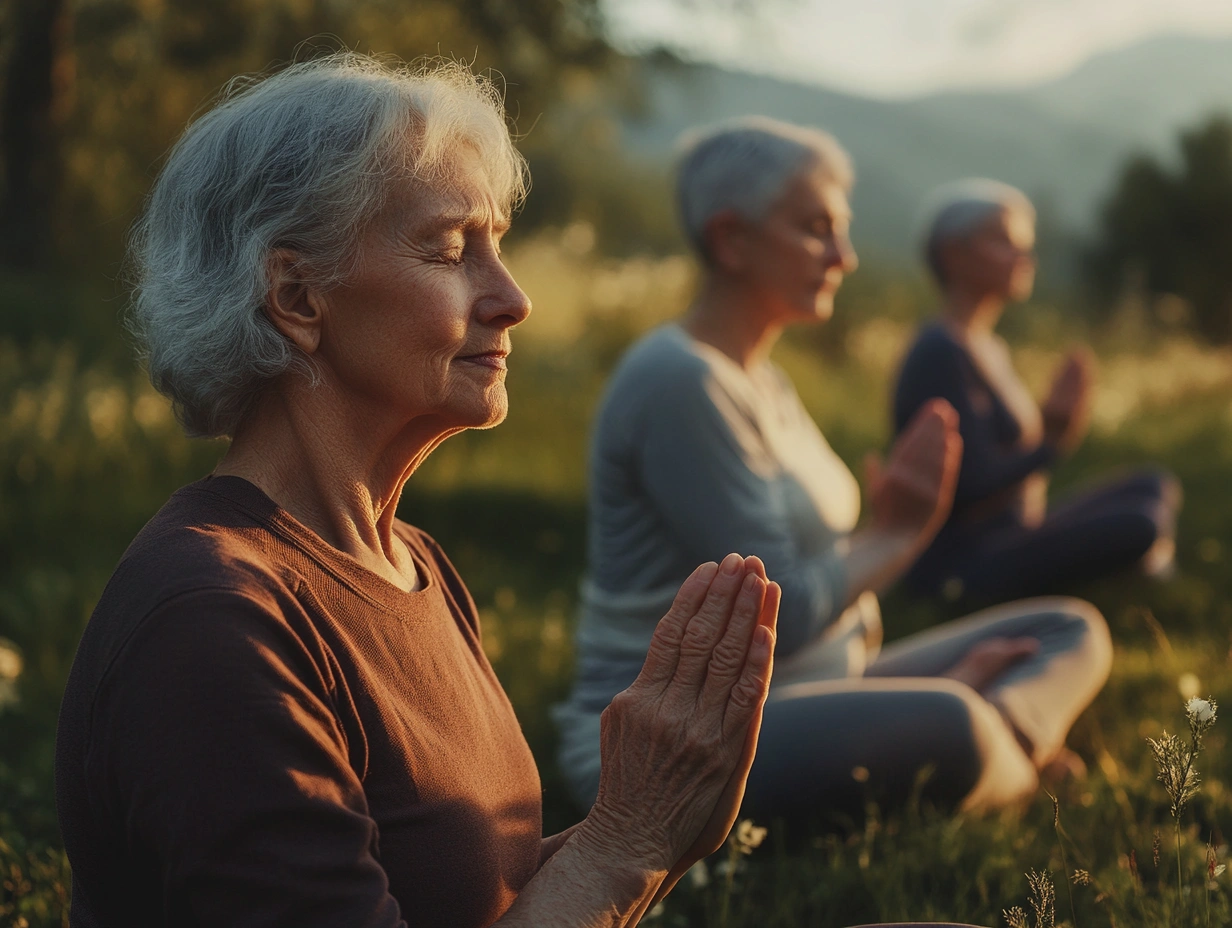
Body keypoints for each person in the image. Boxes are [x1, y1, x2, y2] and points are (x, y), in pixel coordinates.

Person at [54, 55, 784, 928]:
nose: (512, 299)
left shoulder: (410, 562)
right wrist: (628, 841)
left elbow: (477, 902)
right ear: (295, 295)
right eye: (449, 251)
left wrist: (652, 831)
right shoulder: (211, 622)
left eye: (499, 247)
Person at [555, 118, 1113, 828]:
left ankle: (995, 734)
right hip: (687, 733)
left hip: (822, 685)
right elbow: (772, 620)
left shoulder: (763, 378)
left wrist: (888, 529)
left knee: (1069, 627)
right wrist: (898, 532)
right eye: (817, 228)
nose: (845, 256)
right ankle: (1003, 744)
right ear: (732, 239)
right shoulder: (679, 382)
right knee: (954, 725)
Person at [892, 179, 1182, 604]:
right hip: (960, 563)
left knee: (1154, 485)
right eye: (1005, 242)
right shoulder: (939, 352)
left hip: (1013, 530)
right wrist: (1052, 441)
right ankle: (1147, 573)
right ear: (955, 253)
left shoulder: (986, 345)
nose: (1024, 256)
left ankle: (1146, 571)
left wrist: (1047, 430)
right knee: (1142, 523)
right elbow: (968, 491)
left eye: (1025, 244)